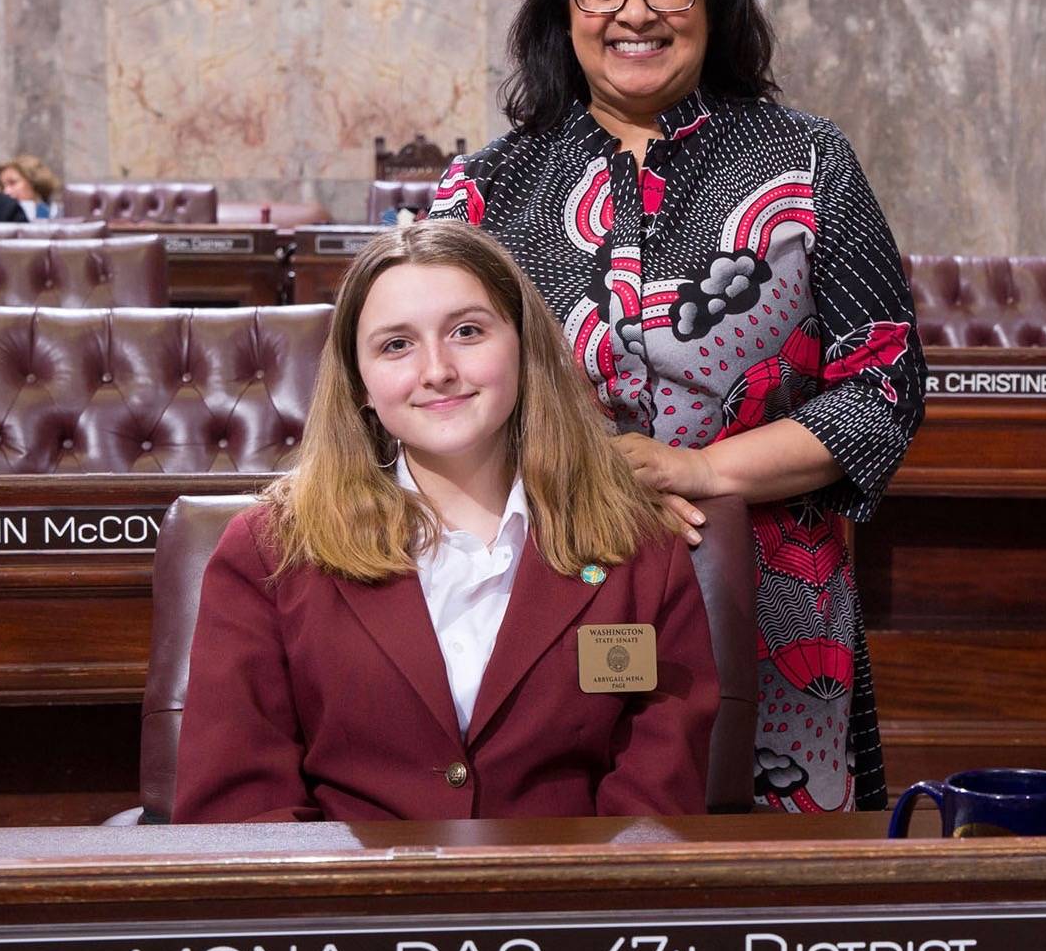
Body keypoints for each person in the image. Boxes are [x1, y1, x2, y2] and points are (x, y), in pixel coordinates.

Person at [431, 0, 926, 813]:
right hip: (537, 579)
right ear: (564, 8)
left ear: (714, 2)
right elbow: (431, 380)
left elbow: (885, 389)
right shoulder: (485, 187)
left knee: (764, 900)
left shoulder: (807, 160)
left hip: (774, 595)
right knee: (552, 867)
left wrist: (700, 470)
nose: (635, 13)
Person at [172, 221, 717, 823]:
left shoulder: (642, 547)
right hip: (347, 908)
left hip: (566, 909)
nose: (437, 370)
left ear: (523, 347)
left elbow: (654, 808)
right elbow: (241, 812)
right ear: (359, 382)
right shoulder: (267, 552)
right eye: (396, 345)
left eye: (467, 331)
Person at [0, 155, 62, 220]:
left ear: (33, 181)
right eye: (3, 186)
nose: (6, 191)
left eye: (13, 183)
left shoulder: (58, 215)